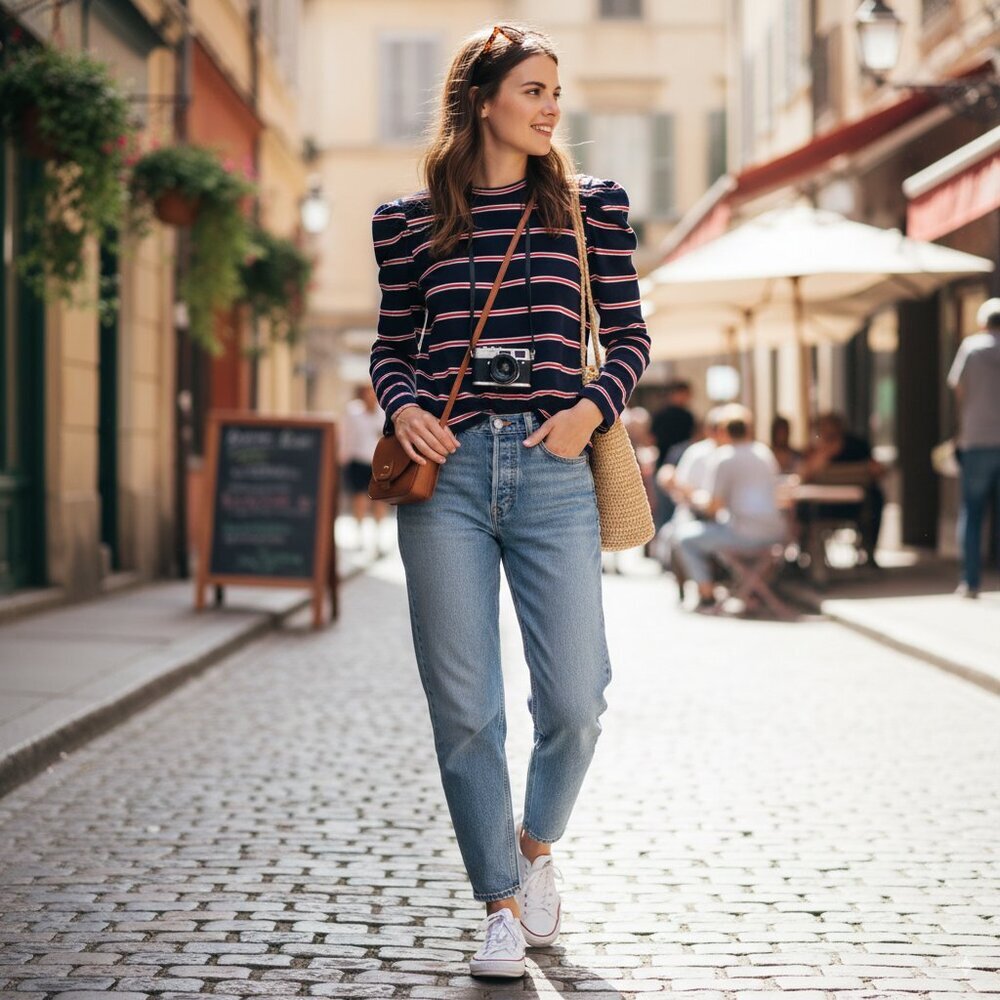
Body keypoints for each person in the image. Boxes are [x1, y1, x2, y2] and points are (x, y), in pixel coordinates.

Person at [369, 23, 650, 980]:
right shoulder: (408, 222)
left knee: (577, 698)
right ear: (484, 100)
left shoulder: (590, 210)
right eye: (532, 90)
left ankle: (534, 849)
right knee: (466, 710)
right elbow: (391, 347)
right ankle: (496, 903)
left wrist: (588, 409)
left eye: (553, 92)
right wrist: (403, 407)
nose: (550, 107)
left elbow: (631, 340)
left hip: (551, 467)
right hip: (443, 480)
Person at [675, 405, 786, 610]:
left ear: (724, 432)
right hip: (776, 531)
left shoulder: (724, 458)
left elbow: (713, 507)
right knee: (718, 536)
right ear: (749, 430)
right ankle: (749, 589)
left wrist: (693, 496)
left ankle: (707, 593)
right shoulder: (763, 452)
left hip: (744, 534)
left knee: (685, 538)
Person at [948, 297, 1000, 598]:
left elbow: (958, 388)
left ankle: (970, 581)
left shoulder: (971, 347)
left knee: (973, 512)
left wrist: (961, 426)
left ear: (983, 323)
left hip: (977, 439)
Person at [651, 407, 726, 593]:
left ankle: (707, 590)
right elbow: (676, 484)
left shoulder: (728, 454)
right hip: (695, 512)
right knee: (676, 535)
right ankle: (703, 590)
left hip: (722, 516)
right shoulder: (695, 452)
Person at [799, 411, 885, 568]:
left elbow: (878, 470)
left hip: (855, 506)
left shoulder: (856, 446)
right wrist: (823, 453)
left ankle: (869, 551)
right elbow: (804, 475)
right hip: (824, 506)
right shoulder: (816, 449)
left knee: (876, 499)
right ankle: (809, 559)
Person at [339, 385, 389, 552]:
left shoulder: (384, 413)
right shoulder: (352, 413)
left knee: (380, 501)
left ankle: (378, 539)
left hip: (379, 462)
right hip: (358, 460)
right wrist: (342, 457)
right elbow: (345, 435)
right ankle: (360, 536)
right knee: (359, 499)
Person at [650, 380, 696, 528]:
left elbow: (651, 438)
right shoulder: (685, 416)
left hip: (674, 465)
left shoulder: (662, 414)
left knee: (667, 512)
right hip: (669, 465)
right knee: (669, 511)